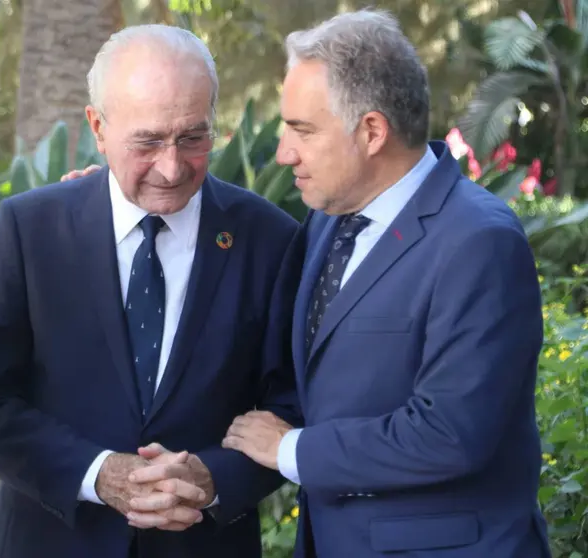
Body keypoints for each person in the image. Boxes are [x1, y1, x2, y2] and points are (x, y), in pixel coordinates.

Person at [0, 24, 302, 558]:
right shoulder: (31, 230)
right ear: (98, 127)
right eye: (147, 142)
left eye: (193, 137)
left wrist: (212, 478)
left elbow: (290, 406)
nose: (171, 167)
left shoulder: (271, 238)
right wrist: (98, 475)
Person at [219, 10, 551, 558]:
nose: (284, 153)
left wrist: (292, 451)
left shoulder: (478, 242)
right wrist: (117, 193)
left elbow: (450, 433)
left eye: (302, 129)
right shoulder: (328, 218)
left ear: (372, 131)